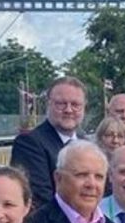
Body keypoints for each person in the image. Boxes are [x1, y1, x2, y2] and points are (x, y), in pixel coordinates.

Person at [11, 76, 88, 210]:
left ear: (84, 108)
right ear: (49, 104)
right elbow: (39, 199)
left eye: (75, 105)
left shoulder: (87, 144)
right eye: (61, 104)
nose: (68, 110)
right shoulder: (29, 143)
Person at [93, 116, 125, 197]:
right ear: (100, 138)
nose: (115, 141)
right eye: (109, 135)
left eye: (120, 136)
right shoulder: (92, 166)